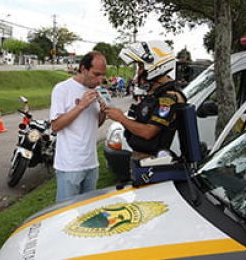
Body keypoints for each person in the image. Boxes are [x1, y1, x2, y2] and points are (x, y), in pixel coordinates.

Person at [105, 40, 187, 162]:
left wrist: (121, 118)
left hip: (152, 161)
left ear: (155, 65)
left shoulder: (168, 98)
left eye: (141, 66)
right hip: (142, 159)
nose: (138, 71)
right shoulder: (156, 93)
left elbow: (148, 132)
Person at [50, 51, 107, 202]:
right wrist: (81, 106)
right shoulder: (62, 89)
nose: (100, 80)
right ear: (83, 69)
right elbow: (55, 126)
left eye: (103, 75)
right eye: (96, 74)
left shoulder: (96, 92)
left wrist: (103, 112)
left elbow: (96, 124)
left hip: (91, 163)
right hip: (70, 165)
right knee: (66, 214)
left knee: (87, 214)